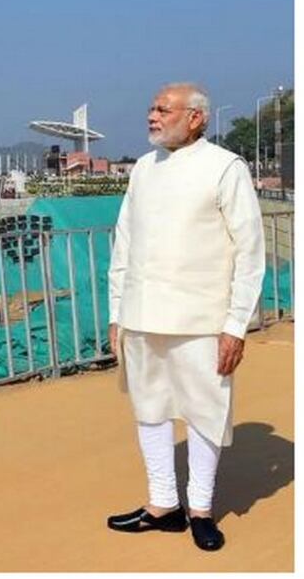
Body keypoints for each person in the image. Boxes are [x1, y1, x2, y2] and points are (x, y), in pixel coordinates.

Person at [105, 82, 265, 551]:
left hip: (202, 318)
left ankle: (199, 508)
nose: (153, 116)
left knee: (204, 413)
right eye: (151, 108)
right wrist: (118, 312)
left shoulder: (225, 167)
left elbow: (250, 252)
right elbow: (125, 244)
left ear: (196, 118)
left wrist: (236, 324)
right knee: (149, 410)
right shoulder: (142, 169)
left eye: (163, 109)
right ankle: (162, 504)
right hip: (142, 314)